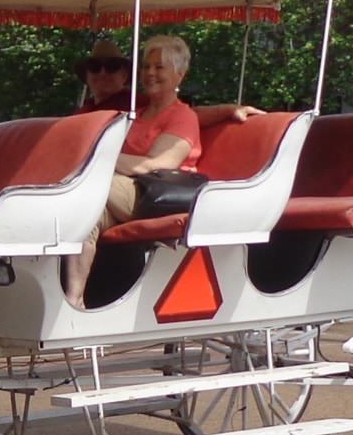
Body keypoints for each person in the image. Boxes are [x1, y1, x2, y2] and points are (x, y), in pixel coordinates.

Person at [62, 34, 203, 310]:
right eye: (147, 67)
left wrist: (95, 156)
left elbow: (153, 165)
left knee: (82, 185)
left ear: (180, 74)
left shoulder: (182, 116)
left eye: (159, 67)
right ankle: (74, 302)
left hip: (158, 194)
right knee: (84, 215)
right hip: (124, 191)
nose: (150, 73)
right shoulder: (136, 114)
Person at [72, 36, 263, 125]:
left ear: (124, 76)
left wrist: (230, 109)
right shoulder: (83, 110)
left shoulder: (135, 105)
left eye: (112, 67)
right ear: (87, 75)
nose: (103, 73)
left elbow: (186, 115)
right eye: (95, 67)